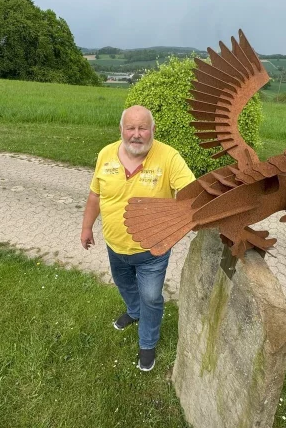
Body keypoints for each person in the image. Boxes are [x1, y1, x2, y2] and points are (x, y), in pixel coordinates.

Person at [80, 105, 195, 372]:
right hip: (114, 244)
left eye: (143, 127)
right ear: (121, 130)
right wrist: (87, 228)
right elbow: (95, 196)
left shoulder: (169, 158)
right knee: (124, 284)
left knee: (152, 296)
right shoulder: (106, 154)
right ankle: (134, 311)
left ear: (153, 130)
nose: (136, 134)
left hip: (152, 252)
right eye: (130, 128)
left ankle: (147, 342)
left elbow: (191, 193)